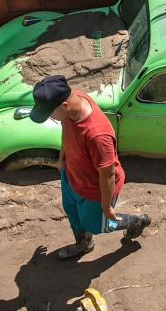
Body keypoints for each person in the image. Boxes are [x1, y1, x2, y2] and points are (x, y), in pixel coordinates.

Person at [29, 75, 150, 259]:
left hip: (94, 190)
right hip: (71, 175)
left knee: (99, 225)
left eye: (50, 114)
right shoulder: (72, 100)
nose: (50, 118)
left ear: (64, 106)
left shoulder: (97, 134)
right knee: (73, 214)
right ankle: (83, 244)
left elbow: (108, 174)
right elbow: (66, 128)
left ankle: (137, 222)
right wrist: (62, 158)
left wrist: (106, 206)